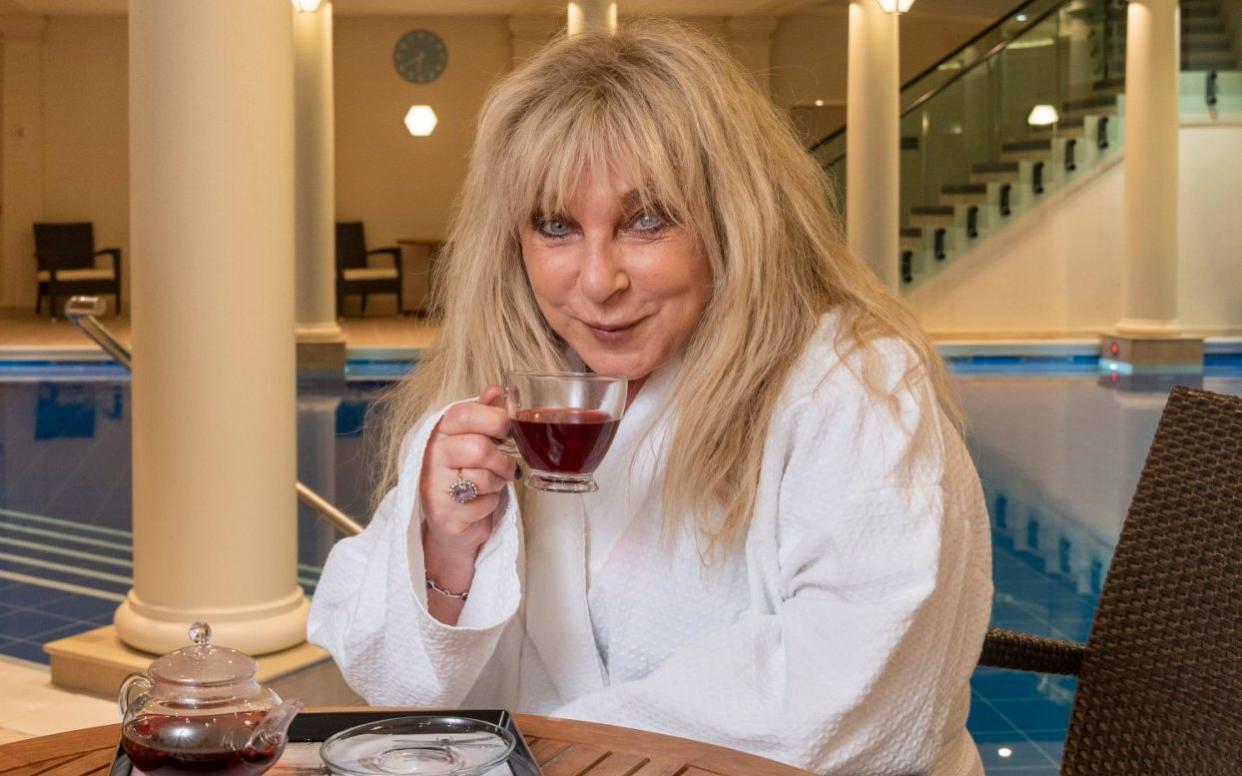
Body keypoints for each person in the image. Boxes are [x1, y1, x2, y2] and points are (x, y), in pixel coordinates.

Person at [309, 20, 992, 775]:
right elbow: (391, 675)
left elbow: (854, 678)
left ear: (736, 219)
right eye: (557, 226)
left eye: (646, 220)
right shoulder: (512, 397)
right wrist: (446, 545)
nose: (599, 281)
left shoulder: (851, 385)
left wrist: (541, 755)